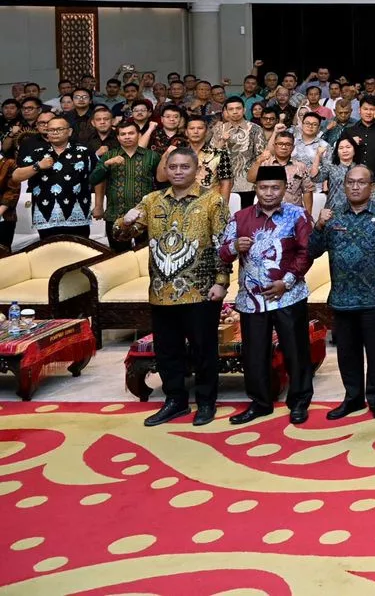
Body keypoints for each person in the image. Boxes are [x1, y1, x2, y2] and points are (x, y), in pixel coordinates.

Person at [124, 145, 230, 427]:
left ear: (197, 170)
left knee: (203, 350)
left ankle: (206, 402)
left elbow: (224, 245)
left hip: (201, 291)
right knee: (167, 351)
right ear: (166, 170)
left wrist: (222, 282)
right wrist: (125, 222)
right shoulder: (151, 200)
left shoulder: (213, 201)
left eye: (185, 167)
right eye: (173, 167)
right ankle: (175, 401)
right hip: (161, 292)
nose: (178, 172)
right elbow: (124, 233)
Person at [218, 164, 315, 425]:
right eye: (263, 187)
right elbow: (222, 253)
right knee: (255, 354)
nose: (269, 193)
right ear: (255, 189)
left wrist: (287, 282)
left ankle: (299, 401)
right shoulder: (240, 217)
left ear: (284, 188)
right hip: (252, 300)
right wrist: (234, 246)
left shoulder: (298, 215)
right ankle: (260, 403)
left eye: (275, 187)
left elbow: (307, 252)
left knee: (296, 351)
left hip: (288, 296)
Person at [311, 165, 375, 420]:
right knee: (347, 355)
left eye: (361, 182)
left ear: (371, 186)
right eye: (350, 182)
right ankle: (352, 399)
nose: (355, 186)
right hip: (342, 298)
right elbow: (312, 251)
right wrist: (318, 225)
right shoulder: (332, 215)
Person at [14, 115, 97, 240]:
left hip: (78, 213)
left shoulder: (84, 152)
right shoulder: (38, 153)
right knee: (50, 250)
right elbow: (16, 176)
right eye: (51, 130)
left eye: (59, 129)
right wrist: (38, 166)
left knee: (79, 250)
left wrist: (99, 205)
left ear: (69, 131)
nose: (55, 132)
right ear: (47, 133)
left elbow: (99, 177)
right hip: (46, 214)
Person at [91, 118, 160, 250]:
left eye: (131, 133)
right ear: (118, 137)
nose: (127, 137)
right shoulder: (109, 156)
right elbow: (93, 179)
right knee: (118, 257)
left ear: (139, 135)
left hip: (144, 215)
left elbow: (161, 181)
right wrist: (106, 164)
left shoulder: (152, 156)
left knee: (145, 254)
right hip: (115, 214)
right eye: (123, 134)